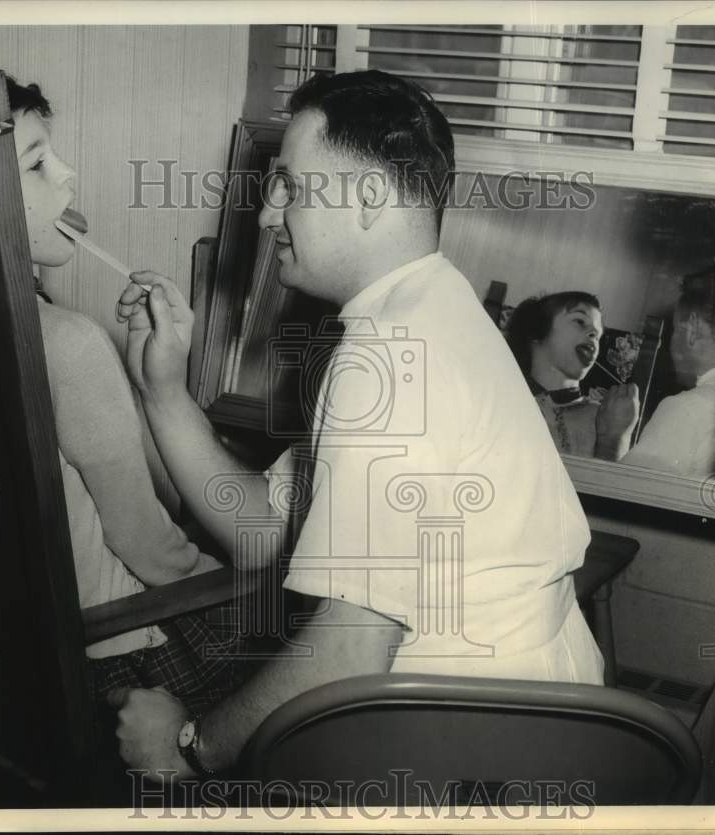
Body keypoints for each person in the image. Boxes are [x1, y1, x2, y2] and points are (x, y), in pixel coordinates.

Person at [111, 69, 604, 782]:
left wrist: (187, 745)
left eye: (291, 187)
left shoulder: (388, 356)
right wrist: (162, 388)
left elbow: (348, 653)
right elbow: (260, 532)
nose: (267, 215)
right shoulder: (429, 306)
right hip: (524, 728)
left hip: (473, 762)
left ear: (369, 197)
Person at [0, 69, 244, 713]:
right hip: (126, 654)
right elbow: (156, 553)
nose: (69, 174)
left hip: (5, 670)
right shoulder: (68, 343)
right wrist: (246, 581)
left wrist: (140, 382)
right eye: (38, 163)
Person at [620, 263, 715, 476]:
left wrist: (612, 440)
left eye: (675, 328)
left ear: (693, 329)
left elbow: (621, 501)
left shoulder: (686, 410)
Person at [507, 291, 639, 460]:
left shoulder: (605, 418)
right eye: (580, 321)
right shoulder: (505, 401)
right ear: (536, 331)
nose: (593, 333)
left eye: (598, 335)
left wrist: (615, 439)